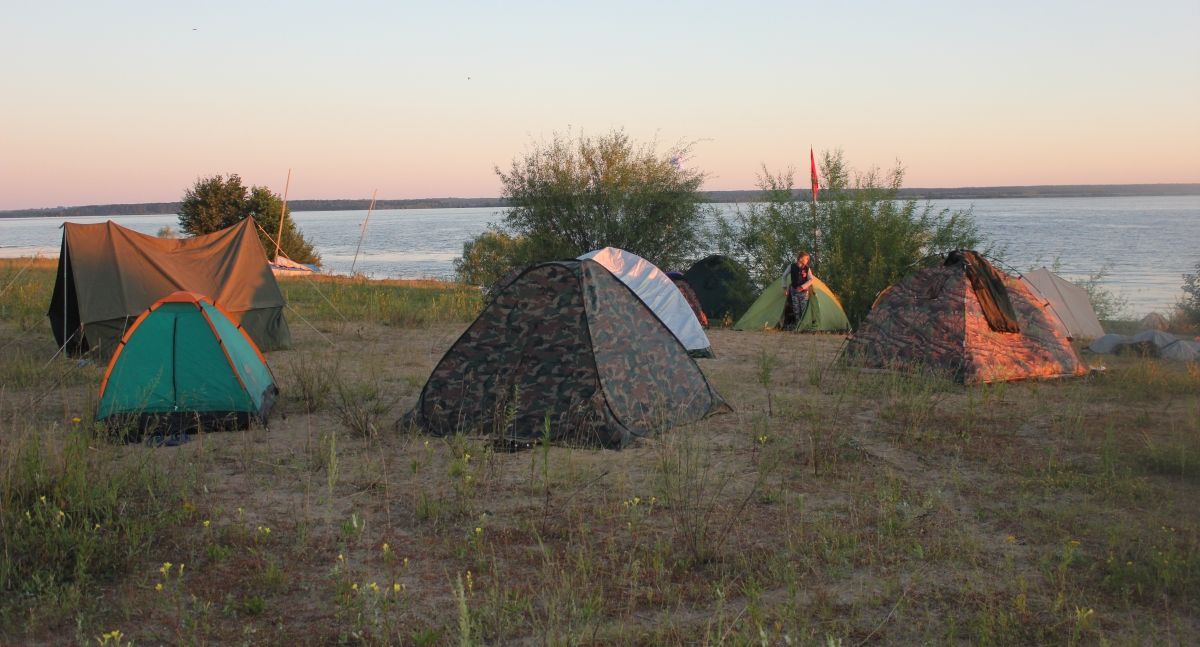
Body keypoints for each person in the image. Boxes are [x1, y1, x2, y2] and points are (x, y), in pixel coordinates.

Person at [785, 252, 814, 329]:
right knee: (796, 310)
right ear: (801, 258)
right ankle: (798, 326)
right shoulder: (791, 266)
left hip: (804, 292)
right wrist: (784, 287)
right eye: (806, 258)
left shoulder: (807, 268)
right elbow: (784, 276)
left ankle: (805, 326)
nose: (807, 260)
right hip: (794, 291)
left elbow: (811, 280)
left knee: (804, 309)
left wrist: (802, 287)